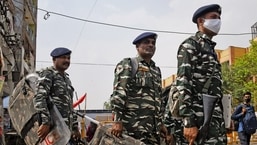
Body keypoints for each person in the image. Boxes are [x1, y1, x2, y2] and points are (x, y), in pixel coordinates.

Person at [164, 4, 227, 145]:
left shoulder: (212, 51)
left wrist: (224, 119)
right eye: (214, 17)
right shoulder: (191, 46)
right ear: (200, 21)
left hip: (213, 121)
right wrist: (188, 121)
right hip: (197, 122)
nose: (218, 21)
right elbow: (183, 84)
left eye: (219, 18)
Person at [110, 32, 167, 145]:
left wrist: (161, 124)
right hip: (132, 130)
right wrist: (117, 121)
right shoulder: (129, 64)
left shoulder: (156, 71)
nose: (151, 45)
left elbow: (158, 101)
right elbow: (119, 94)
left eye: (153, 43)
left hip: (152, 132)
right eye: (146, 42)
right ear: (137, 46)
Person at [33, 47, 80, 144]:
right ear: (54, 59)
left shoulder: (66, 79)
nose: (67, 60)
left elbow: (70, 106)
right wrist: (46, 122)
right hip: (53, 129)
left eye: (68, 58)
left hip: (66, 132)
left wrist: (75, 127)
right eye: (63, 58)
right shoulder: (48, 74)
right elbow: (40, 98)